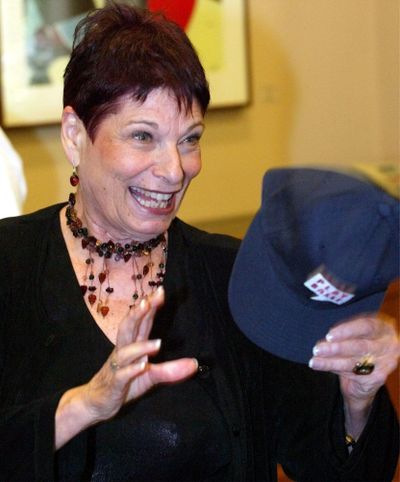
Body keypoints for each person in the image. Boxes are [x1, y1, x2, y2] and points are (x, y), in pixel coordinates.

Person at [0, 4, 398, 481]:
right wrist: (82, 406)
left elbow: (334, 468)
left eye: (190, 140)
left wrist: (358, 398)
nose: (175, 170)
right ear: (74, 136)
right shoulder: (10, 263)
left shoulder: (239, 278)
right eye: (144, 136)